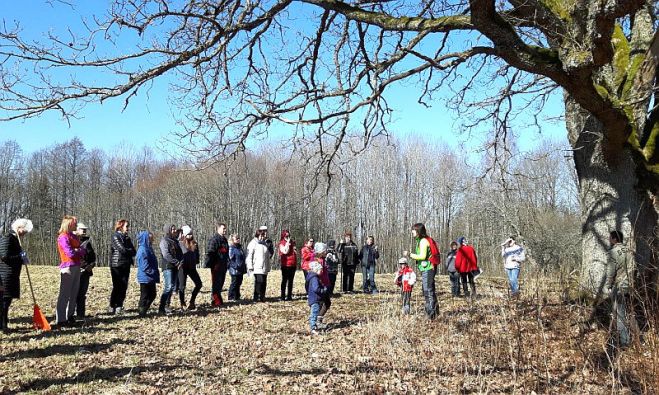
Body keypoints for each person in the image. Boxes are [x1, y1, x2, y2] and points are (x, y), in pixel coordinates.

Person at [606, 230, 638, 349]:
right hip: (631, 286)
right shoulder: (630, 252)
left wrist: (608, 286)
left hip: (619, 287)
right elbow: (635, 270)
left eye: (610, 238)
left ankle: (625, 342)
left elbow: (610, 272)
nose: (609, 240)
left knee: (620, 315)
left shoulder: (613, 252)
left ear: (614, 239)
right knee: (631, 313)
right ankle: (638, 338)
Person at [0, 218, 33, 332]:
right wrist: (20, 257)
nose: (25, 233)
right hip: (5, 274)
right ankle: (3, 326)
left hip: (12, 274)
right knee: (4, 300)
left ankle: (3, 324)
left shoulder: (15, 239)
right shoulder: (8, 238)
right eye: (24, 230)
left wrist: (22, 258)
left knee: (7, 301)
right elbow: (4, 257)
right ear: (18, 228)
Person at [55, 215, 86, 327]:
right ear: (69, 224)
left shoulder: (73, 236)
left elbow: (82, 250)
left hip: (77, 266)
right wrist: (78, 250)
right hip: (67, 266)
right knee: (65, 294)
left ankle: (70, 316)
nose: (76, 225)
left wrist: (78, 250)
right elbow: (70, 253)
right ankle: (61, 319)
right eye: (75, 223)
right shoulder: (63, 237)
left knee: (74, 293)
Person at [409, 223, 438, 319]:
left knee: (427, 290)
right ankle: (435, 312)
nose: (412, 232)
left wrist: (410, 254)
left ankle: (431, 314)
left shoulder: (423, 241)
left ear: (418, 231)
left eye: (413, 230)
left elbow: (422, 256)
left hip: (428, 268)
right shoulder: (420, 241)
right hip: (427, 268)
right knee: (429, 289)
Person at [109, 219, 136, 315]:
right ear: (121, 227)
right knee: (117, 286)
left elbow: (134, 251)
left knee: (124, 286)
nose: (128, 228)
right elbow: (122, 249)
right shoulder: (115, 236)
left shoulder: (127, 238)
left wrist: (128, 250)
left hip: (126, 264)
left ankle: (119, 305)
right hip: (117, 264)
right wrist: (128, 250)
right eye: (127, 226)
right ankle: (112, 305)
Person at [159, 224, 183, 314]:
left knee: (172, 286)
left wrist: (181, 261)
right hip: (168, 266)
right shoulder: (164, 241)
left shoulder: (175, 241)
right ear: (168, 230)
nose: (174, 230)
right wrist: (176, 262)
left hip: (175, 267)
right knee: (168, 287)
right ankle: (162, 307)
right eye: (172, 229)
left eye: (174, 229)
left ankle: (167, 305)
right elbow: (166, 254)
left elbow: (180, 253)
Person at [204, 223, 229, 307]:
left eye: (225, 228)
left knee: (221, 283)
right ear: (218, 229)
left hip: (223, 265)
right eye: (223, 228)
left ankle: (218, 298)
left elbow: (227, 252)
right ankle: (215, 300)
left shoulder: (225, 240)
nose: (225, 230)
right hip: (216, 265)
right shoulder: (214, 239)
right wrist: (211, 263)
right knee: (216, 284)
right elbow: (210, 252)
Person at [179, 226, 203, 310]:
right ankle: (182, 303)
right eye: (188, 234)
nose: (190, 236)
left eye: (191, 234)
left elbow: (197, 255)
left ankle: (192, 301)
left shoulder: (194, 243)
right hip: (183, 268)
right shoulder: (180, 244)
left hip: (192, 268)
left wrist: (196, 260)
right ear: (185, 235)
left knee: (199, 284)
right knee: (182, 286)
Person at [75, 223, 97, 319]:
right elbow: (76, 256)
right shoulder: (74, 241)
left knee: (82, 293)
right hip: (78, 270)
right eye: (82, 229)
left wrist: (92, 265)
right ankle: (72, 314)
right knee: (75, 293)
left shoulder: (87, 242)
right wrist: (85, 266)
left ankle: (81, 314)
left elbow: (92, 256)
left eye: (85, 229)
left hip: (86, 272)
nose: (84, 231)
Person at [136, 230, 159, 317]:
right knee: (144, 295)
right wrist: (152, 272)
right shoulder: (142, 250)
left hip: (150, 277)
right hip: (145, 277)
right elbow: (144, 266)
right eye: (150, 238)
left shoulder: (149, 248)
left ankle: (144, 309)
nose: (152, 240)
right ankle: (141, 312)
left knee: (153, 294)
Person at [246, 227, 272, 302]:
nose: (262, 237)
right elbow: (249, 255)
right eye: (261, 236)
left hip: (264, 267)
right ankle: (256, 297)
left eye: (263, 236)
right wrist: (250, 266)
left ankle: (262, 297)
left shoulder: (264, 244)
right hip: (257, 266)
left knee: (264, 282)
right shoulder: (253, 243)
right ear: (257, 236)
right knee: (259, 282)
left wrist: (268, 267)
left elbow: (267, 257)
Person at [306, 260, 327, 335]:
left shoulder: (311, 277)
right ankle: (313, 328)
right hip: (315, 299)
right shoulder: (314, 278)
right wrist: (323, 290)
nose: (321, 271)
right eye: (320, 270)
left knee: (314, 312)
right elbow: (316, 289)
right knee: (314, 313)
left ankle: (314, 326)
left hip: (313, 298)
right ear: (316, 270)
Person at [314, 242, 331, 329]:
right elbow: (318, 274)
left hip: (325, 284)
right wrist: (322, 285)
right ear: (321, 252)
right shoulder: (318, 261)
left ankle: (317, 320)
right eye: (325, 251)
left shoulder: (323, 260)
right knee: (324, 303)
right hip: (322, 285)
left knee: (326, 303)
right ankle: (317, 321)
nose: (326, 252)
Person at [278, 230, 297, 301]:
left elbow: (294, 252)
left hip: (293, 264)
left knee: (291, 281)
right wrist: (287, 243)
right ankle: (282, 296)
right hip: (285, 264)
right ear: (283, 236)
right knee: (284, 280)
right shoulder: (282, 243)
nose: (288, 237)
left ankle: (289, 296)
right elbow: (285, 251)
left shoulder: (292, 242)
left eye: (289, 236)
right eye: (286, 236)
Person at [228, 234, 246, 300]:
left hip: (240, 269)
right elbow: (230, 259)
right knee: (234, 283)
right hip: (234, 269)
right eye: (236, 238)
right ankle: (231, 297)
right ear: (232, 240)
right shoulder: (231, 248)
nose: (238, 239)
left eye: (238, 238)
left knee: (239, 283)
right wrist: (236, 266)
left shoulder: (239, 248)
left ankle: (237, 296)